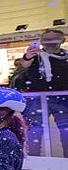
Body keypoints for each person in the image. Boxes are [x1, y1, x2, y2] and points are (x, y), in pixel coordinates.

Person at [18, 29, 68, 157]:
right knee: (35, 130)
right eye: (46, 39)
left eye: (53, 39)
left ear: (62, 40)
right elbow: (24, 65)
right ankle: (35, 158)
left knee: (66, 130)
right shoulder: (36, 56)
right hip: (37, 98)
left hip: (63, 99)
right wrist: (27, 56)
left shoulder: (66, 56)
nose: (49, 42)